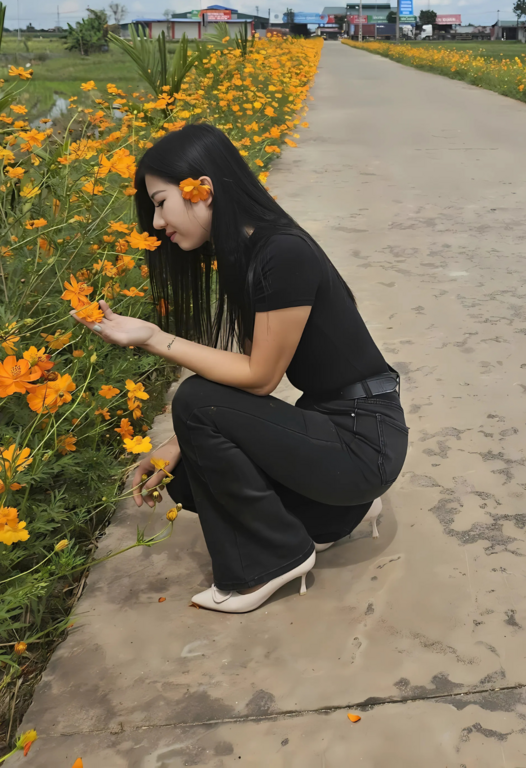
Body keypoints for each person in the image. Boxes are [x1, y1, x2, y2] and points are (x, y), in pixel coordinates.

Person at [74, 122, 407, 614]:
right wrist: (172, 445)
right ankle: (337, 516)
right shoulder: (249, 256)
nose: (158, 223)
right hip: (337, 431)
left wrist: (154, 337)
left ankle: (269, 561)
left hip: (364, 440)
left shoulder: (281, 252)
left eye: (161, 203)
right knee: (186, 473)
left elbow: (260, 377)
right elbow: (245, 382)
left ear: (202, 190)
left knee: (194, 401)